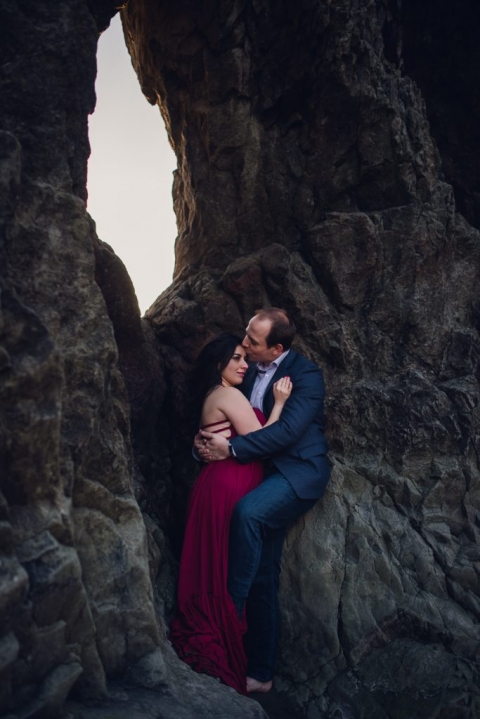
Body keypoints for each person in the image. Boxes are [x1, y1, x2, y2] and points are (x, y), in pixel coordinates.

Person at [197, 308, 330, 693]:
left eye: (252, 341)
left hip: (296, 473)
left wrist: (231, 449)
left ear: (276, 349)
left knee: (248, 515)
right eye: (246, 334)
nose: (244, 343)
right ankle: (259, 673)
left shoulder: (307, 377)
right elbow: (224, 416)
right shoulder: (248, 367)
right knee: (265, 575)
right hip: (259, 474)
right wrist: (203, 446)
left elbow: (286, 432)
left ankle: (229, 615)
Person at [169, 333, 293, 694]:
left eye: (245, 358)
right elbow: (259, 440)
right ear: (218, 364)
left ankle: (235, 644)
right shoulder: (227, 394)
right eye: (236, 359)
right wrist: (281, 404)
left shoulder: (215, 395)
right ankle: (226, 646)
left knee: (224, 565)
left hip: (222, 483)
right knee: (228, 566)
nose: (244, 365)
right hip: (228, 486)